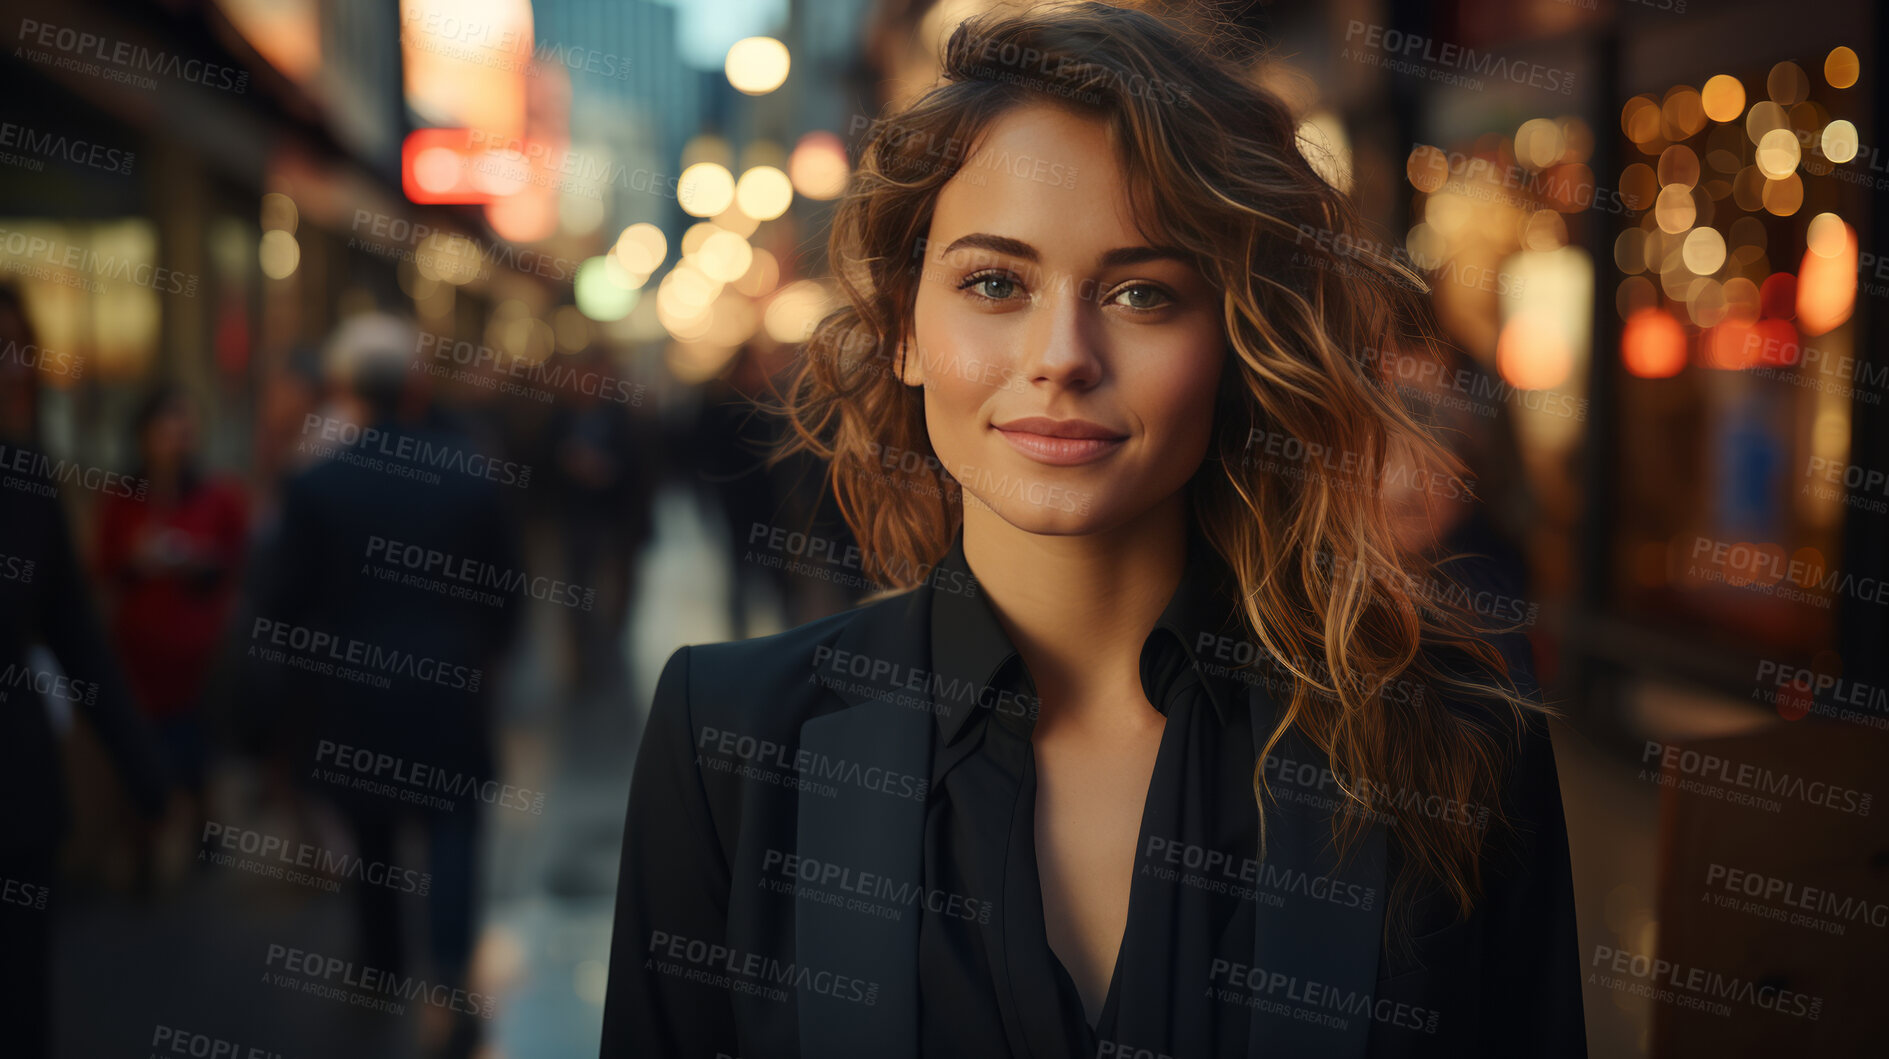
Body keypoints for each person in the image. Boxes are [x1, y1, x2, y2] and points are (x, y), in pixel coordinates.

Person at [600, 5, 1584, 1057]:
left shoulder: (1455, 749)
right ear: (903, 331)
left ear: (1236, 338)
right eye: (992, 282)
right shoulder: (729, 743)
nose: (1061, 353)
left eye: (1140, 291)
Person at [241, 312, 523, 1059]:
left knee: (371, 830)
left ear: (344, 387)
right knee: (454, 826)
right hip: (447, 685)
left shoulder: (317, 484)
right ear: (415, 386)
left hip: (351, 689)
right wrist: (484, 655)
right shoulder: (468, 473)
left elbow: (278, 597)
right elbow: (508, 593)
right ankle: (448, 978)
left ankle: (379, 966)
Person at [0, 284, 172, 1058]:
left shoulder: (25, 478)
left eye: (20, 351)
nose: (14, 371)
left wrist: (143, 766)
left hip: (16, 797)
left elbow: (74, 632)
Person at [94, 383, 249, 860]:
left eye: (185, 424)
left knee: (198, 754)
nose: (176, 435)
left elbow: (239, 562)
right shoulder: (124, 498)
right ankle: (144, 844)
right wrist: (137, 559)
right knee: (142, 752)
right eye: (166, 424)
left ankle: (204, 833)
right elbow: (103, 567)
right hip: (139, 657)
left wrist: (200, 563)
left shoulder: (217, 496)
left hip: (200, 654)